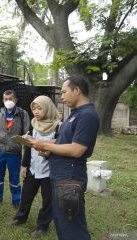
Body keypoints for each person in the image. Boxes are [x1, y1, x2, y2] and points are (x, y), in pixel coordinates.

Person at [27, 76, 100, 240]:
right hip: (61, 175)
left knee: (71, 224)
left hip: (70, 177)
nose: (62, 96)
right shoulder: (75, 114)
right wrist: (46, 147)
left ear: (77, 91)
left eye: (64, 92)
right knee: (62, 221)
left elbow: (76, 150)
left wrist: (44, 145)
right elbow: (64, 141)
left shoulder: (87, 115)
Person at [10, 95, 61, 238]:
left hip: (49, 171)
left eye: (40, 108)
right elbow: (28, 147)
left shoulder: (58, 126)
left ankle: (42, 226)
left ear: (48, 108)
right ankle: (20, 217)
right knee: (26, 195)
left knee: (48, 200)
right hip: (33, 167)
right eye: (34, 108)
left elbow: (61, 149)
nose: (36, 112)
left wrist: (48, 153)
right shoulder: (34, 124)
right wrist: (24, 165)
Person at [0, 89, 30, 208]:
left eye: (10, 99)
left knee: (14, 177)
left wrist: (27, 147)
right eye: (6, 99)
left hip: (14, 151)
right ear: (3, 100)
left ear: (15, 100)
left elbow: (27, 133)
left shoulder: (22, 114)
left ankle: (16, 200)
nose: (8, 101)